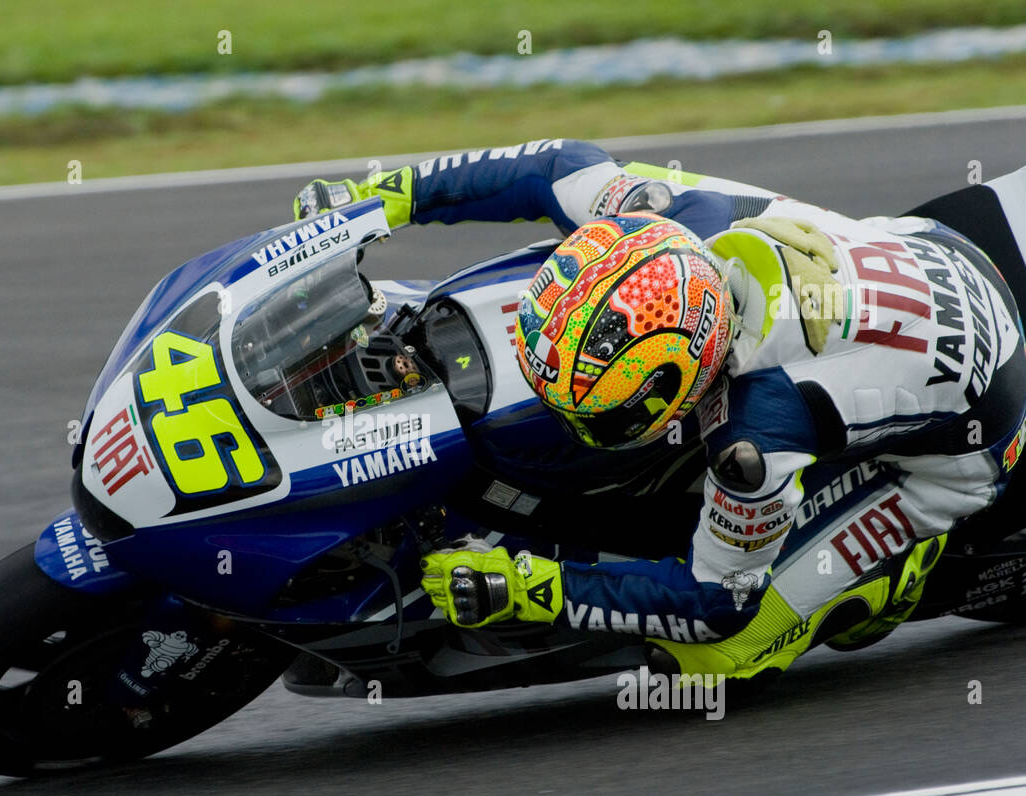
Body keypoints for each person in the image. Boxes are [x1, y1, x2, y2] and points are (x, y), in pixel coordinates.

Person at [293, 139, 1026, 683]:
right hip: (933, 250)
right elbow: (554, 167)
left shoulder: (757, 436)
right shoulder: (677, 219)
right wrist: (389, 194)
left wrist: (532, 588)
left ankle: (895, 577)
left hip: (969, 443)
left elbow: (718, 599)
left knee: (717, 654)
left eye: (602, 417)